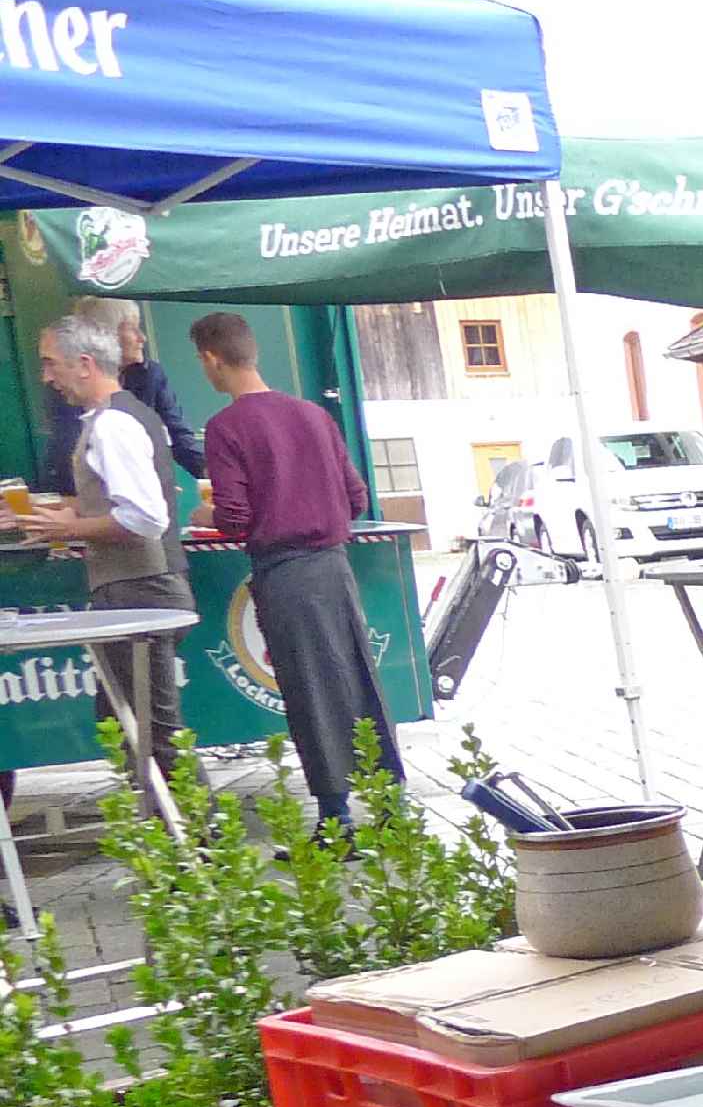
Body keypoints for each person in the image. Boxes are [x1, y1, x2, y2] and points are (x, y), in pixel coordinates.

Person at [192, 311, 407, 828]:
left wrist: (205, 516)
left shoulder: (226, 427)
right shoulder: (314, 415)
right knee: (357, 678)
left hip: (284, 575)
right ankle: (389, 806)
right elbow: (356, 498)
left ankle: (336, 820)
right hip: (334, 569)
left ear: (212, 359)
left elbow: (235, 518)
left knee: (308, 691)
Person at [5, 315, 194, 800]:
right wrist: (40, 514)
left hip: (141, 588)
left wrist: (68, 528)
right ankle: (173, 832)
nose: (46, 376)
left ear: (85, 363)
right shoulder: (117, 418)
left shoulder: (113, 425)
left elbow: (145, 517)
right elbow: (113, 505)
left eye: (51, 363)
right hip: (138, 586)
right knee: (128, 724)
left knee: (151, 731)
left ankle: (201, 834)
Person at [42, 301, 204, 496]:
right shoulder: (69, 387)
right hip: (82, 494)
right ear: (106, 335)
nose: (142, 338)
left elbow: (178, 436)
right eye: (132, 328)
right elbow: (69, 448)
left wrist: (213, 472)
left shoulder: (150, 374)